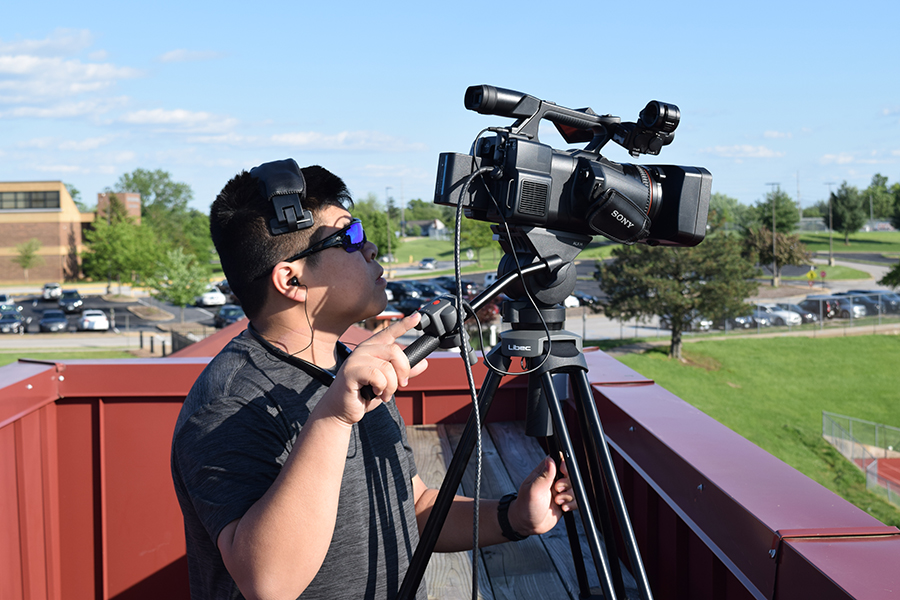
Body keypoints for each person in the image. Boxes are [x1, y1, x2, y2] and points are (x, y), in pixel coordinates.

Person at [171, 159, 576, 600]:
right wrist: (333, 418)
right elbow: (268, 583)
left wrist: (515, 516)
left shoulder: (349, 365)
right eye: (349, 236)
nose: (370, 248)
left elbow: (413, 508)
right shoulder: (227, 403)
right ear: (291, 278)